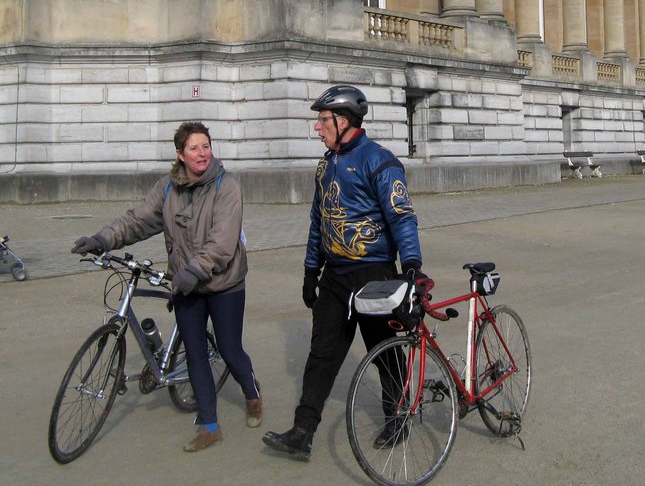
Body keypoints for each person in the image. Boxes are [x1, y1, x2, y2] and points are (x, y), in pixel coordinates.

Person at [71, 121, 262, 452]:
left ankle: (251, 391)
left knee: (230, 350)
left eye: (206, 146)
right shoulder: (168, 187)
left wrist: (192, 271)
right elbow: (138, 220)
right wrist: (103, 239)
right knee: (196, 356)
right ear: (180, 154)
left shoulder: (227, 187)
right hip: (186, 284)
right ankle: (209, 426)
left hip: (222, 283)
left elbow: (222, 243)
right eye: (194, 148)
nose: (202, 153)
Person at [263, 85, 425, 461]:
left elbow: (402, 217)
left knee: (384, 354)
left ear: (343, 122)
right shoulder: (326, 164)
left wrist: (412, 266)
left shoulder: (380, 161)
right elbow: (318, 222)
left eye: (322, 121)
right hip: (334, 277)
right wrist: (309, 270)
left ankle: (397, 417)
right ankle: (302, 432)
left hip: (374, 275)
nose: (317, 128)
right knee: (321, 355)